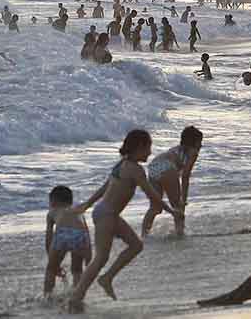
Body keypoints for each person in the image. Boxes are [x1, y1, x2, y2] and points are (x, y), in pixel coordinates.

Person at [68, 129, 176, 308]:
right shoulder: (135, 170)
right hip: (107, 215)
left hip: (105, 212)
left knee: (136, 245)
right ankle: (76, 298)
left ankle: (107, 278)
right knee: (101, 258)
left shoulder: (122, 164)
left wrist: (88, 204)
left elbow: (105, 187)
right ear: (139, 147)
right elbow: (152, 196)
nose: (150, 152)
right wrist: (172, 211)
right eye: (148, 148)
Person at [143, 125, 203, 236]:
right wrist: (184, 198)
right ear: (194, 143)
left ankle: (144, 234)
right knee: (178, 205)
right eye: (200, 142)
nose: (201, 145)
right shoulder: (193, 152)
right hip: (168, 168)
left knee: (155, 207)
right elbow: (185, 176)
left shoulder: (176, 149)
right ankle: (180, 232)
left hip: (154, 166)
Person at [44, 186, 92, 296]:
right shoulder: (78, 211)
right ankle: (77, 296)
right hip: (80, 236)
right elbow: (86, 233)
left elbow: (49, 236)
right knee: (77, 269)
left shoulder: (52, 212)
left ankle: (47, 296)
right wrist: (89, 255)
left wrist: (51, 259)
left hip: (63, 234)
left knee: (51, 269)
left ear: (53, 201)